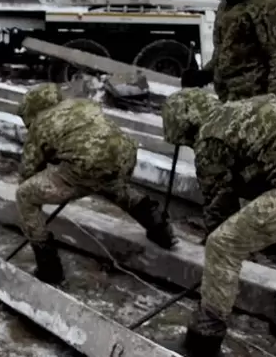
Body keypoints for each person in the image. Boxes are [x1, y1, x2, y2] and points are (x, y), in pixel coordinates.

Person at [161, 89, 276, 356]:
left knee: (223, 244)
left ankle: (203, 341)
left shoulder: (209, 138)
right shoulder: (232, 113)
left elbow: (219, 211)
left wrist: (217, 272)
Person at [15, 83, 177, 285]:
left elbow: (28, 170)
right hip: (125, 155)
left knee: (24, 195)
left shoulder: (41, 122)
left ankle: (50, 268)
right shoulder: (82, 104)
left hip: (86, 164)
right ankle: (160, 229)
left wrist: (41, 177)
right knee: (108, 183)